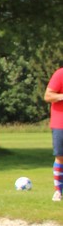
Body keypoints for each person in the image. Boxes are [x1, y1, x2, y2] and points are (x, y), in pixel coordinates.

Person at [44, 67, 63, 202]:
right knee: (60, 157)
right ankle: (58, 191)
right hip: (60, 123)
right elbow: (48, 96)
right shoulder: (60, 74)